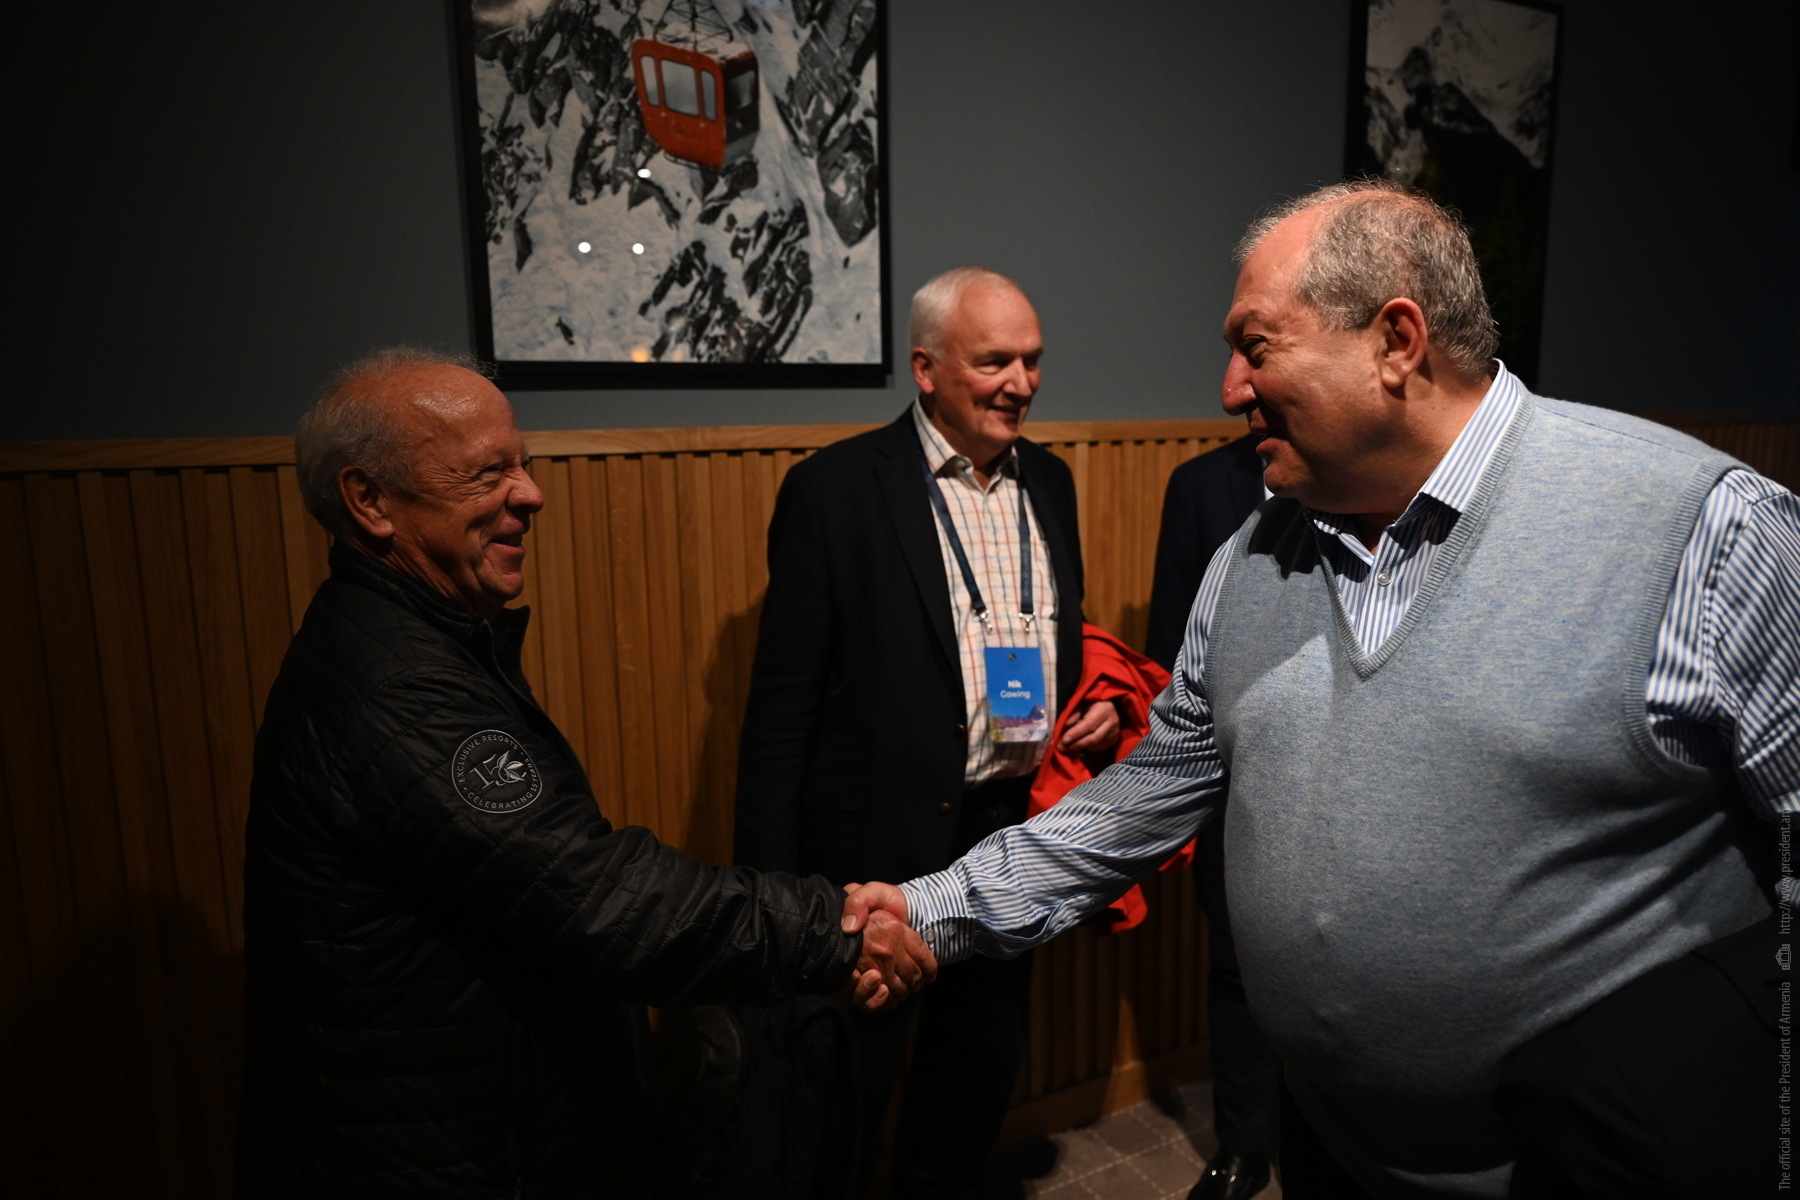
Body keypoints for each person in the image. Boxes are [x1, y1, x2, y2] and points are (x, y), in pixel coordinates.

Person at [849, 181, 1796, 1198]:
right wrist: (931, 908)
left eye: (1255, 347)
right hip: (1332, 1145)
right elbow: (1143, 798)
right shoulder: (1250, 558)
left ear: (1396, 341)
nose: (1229, 389)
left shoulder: (1708, 532)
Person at [235, 348, 934, 1198]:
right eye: (486, 474)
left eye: (523, 466)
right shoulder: (396, 688)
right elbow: (596, 893)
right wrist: (832, 929)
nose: (530, 494)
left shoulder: (417, 639)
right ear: (369, 501)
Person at [735, 267, 1122, 1198]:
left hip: (1011, 834)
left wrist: (1090, 705)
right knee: (845, 1091)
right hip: (873, 853)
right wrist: (773, 904)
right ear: (926, 369)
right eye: (994, 362)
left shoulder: (1053, 482)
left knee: (975, 1072)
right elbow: (780, 715)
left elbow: (1052, 632)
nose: (1021, 383)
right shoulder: (833, 491)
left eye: (1032, 361)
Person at [1146, 434, 1282, 1200]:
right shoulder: (1201, 486)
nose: (1238, 387)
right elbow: (1170, 648)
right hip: (1226, 779)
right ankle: (1244, 1145)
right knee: (1235, 969)